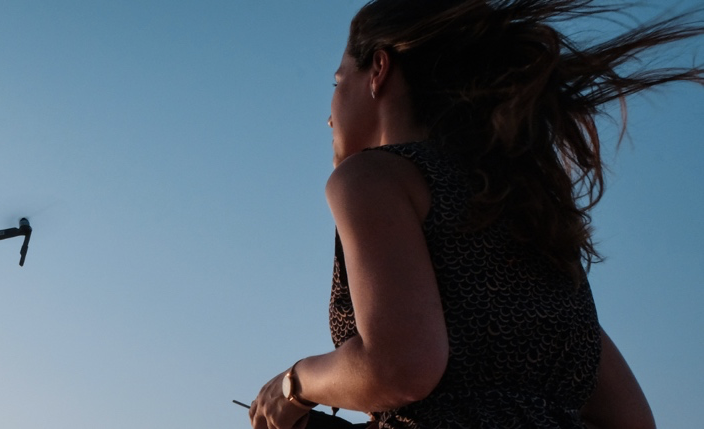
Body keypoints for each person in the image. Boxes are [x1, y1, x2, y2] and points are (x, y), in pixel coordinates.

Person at [248, 1, 704, 428]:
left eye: (337, 80)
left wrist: (293, 386)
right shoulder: (527, 214)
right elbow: (633, 422)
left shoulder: (373, 177)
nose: (329, 114)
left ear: (379, 71)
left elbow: (402, 367)